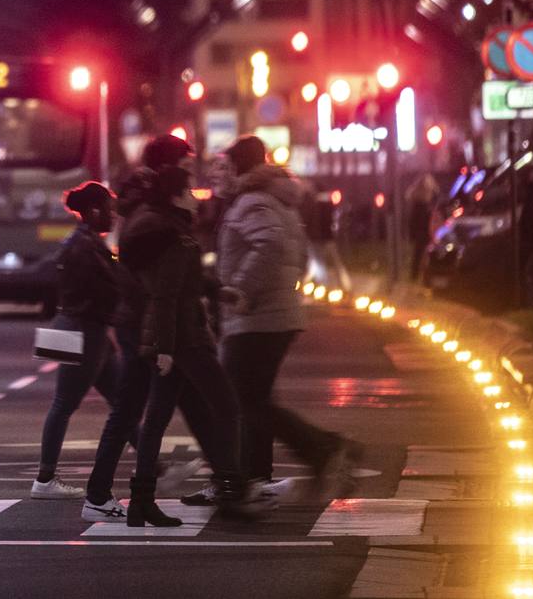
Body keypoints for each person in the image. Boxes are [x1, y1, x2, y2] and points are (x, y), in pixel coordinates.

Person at [119, 134, 257, 526]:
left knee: (157, 420)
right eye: (190, 190)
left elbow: (182, 282)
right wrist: (164, 347)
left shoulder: (166, 229)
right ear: (178, 196)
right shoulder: (175, 237)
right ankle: (231, 489)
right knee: (228, 407)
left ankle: (142, 500)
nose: (198, 195)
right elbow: (166, 295)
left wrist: (220, 290)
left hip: (172, 338)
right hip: (185, 339)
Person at [216, 136, 362, 500]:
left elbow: (272, 246)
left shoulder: (252, 201)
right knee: (257, 399)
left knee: (242, 400)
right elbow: (294, 253)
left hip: (257, 316)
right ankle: (258, 476)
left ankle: (326, 448)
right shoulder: (275, 199)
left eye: (225, 167)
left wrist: (241, 290)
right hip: (276, 313)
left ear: (239, 168)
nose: (220, 175)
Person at [31, 181, 131, 513]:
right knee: (66, 403)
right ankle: (44, 480)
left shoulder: (81, 242)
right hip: (83, 331)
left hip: (78, 327)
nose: (114, 216)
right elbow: (109, 287)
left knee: (121, 401)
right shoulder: (85, 246)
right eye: (111, 209)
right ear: (94, 211)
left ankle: (154, 464)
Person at [304, 187, 350, 295]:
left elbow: (311, 222)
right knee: (335, 263)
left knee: (318, 262)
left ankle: (323, 286)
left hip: (316, 238)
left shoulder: (314, 205)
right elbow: (330, 222)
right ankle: (345, 285)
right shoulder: (329, 205)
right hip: (328, 237)